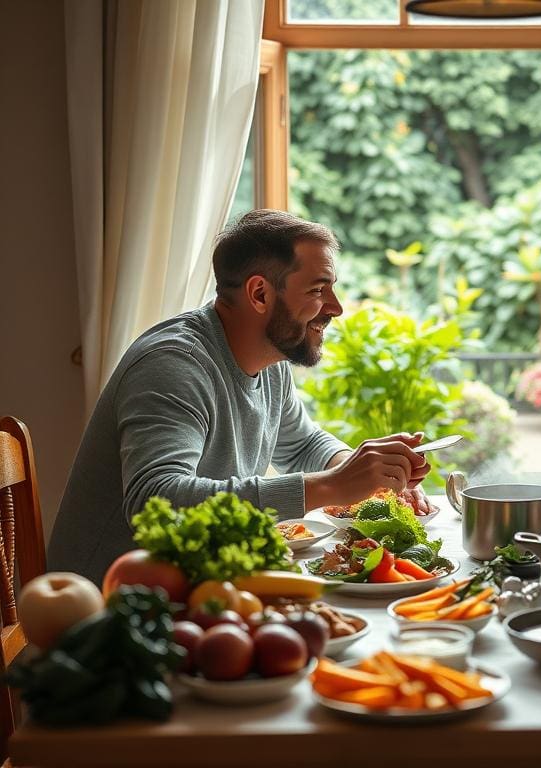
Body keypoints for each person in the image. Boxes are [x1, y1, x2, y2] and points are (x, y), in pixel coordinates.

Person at [48, 210, 430, 584]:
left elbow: (301, 443)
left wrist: (367, 472)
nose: (336, 307)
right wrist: (332, 485)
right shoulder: (173, 365)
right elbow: (156, 498)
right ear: (260, 293)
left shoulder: (270, 358)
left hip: (194, 592)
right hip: (106, 614)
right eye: (317, 289)